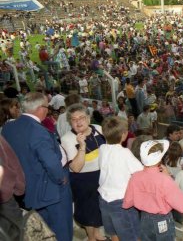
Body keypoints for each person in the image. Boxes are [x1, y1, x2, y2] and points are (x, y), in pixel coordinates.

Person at [2, 92, 73, 241]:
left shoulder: (8, 127)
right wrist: (61, 178)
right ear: (41, 108)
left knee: (44, 228)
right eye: (47, 107)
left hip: (29, 189)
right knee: (62, 228)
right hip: (51, 189)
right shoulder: (38, 131)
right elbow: (50, 161)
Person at [123, 140, 183, 241]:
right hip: (162, 220)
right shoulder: (165, 179)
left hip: (144, 218)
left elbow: (127, 202)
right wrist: (169, 177)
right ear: (159, 159)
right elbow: (182, 206)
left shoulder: (135, 176)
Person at [61, 103, 106, 241]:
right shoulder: (67, 139)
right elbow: (76, 167)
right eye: (74, 119)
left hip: (102, 176)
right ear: (70, 122)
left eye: (81, 117)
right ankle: (91, 237)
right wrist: (82, 146)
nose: (78, 121)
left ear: (88, 118)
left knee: (99, 208)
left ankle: (97, 233)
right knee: (87, 211)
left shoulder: (99, 129)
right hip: (83, 181)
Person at [98, 116, 143, 241]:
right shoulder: (125, 153)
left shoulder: (102, 149)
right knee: (132, 235)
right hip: (121, 203)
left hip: (104, 200)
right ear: (124, 135)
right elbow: (140, 172)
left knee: (113, 233)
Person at [0, 135, 25, 241]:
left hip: (4, 198)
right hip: (5, 201)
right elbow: (12, 161)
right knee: (17, 233)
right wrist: (19, 187)